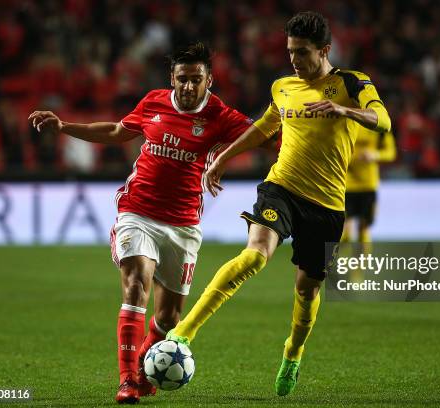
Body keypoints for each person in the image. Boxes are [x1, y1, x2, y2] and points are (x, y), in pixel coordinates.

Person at [165, 11, 391, 396]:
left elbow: (383, 120)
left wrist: (343, 110)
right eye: (290, 52)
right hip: (281, 188)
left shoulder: (351, 82)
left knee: (308, 291)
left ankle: (293, 352)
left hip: (326, 205)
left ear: (324, 50)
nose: (294, 61)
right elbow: (264, 128)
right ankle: (181, 334)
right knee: (254, 255)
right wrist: (222, 157)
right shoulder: (283, 86)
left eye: (302, 53)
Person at [28, 42, 252, 404]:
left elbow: (263, 134)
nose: (189, 87)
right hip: (138, 211)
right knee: (136, 284)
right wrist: (65, 126)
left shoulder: (220, 115)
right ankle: (128, 380)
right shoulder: (154, 102)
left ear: (209, 80)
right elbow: (118, 131)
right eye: (183, 79)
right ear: (172, 79)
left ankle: (148, 363)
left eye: (197, 79)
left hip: (182, 225)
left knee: (169, 316)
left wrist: (223, 158)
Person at [341, 129, 396, 247]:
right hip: (345, 185)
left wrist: (375, 154)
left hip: (368, 185)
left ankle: (361, 264)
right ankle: (339, 263)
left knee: (363, 228)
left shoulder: (379, 124)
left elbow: (391, 153)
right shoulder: (345, 120)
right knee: (344, 231)